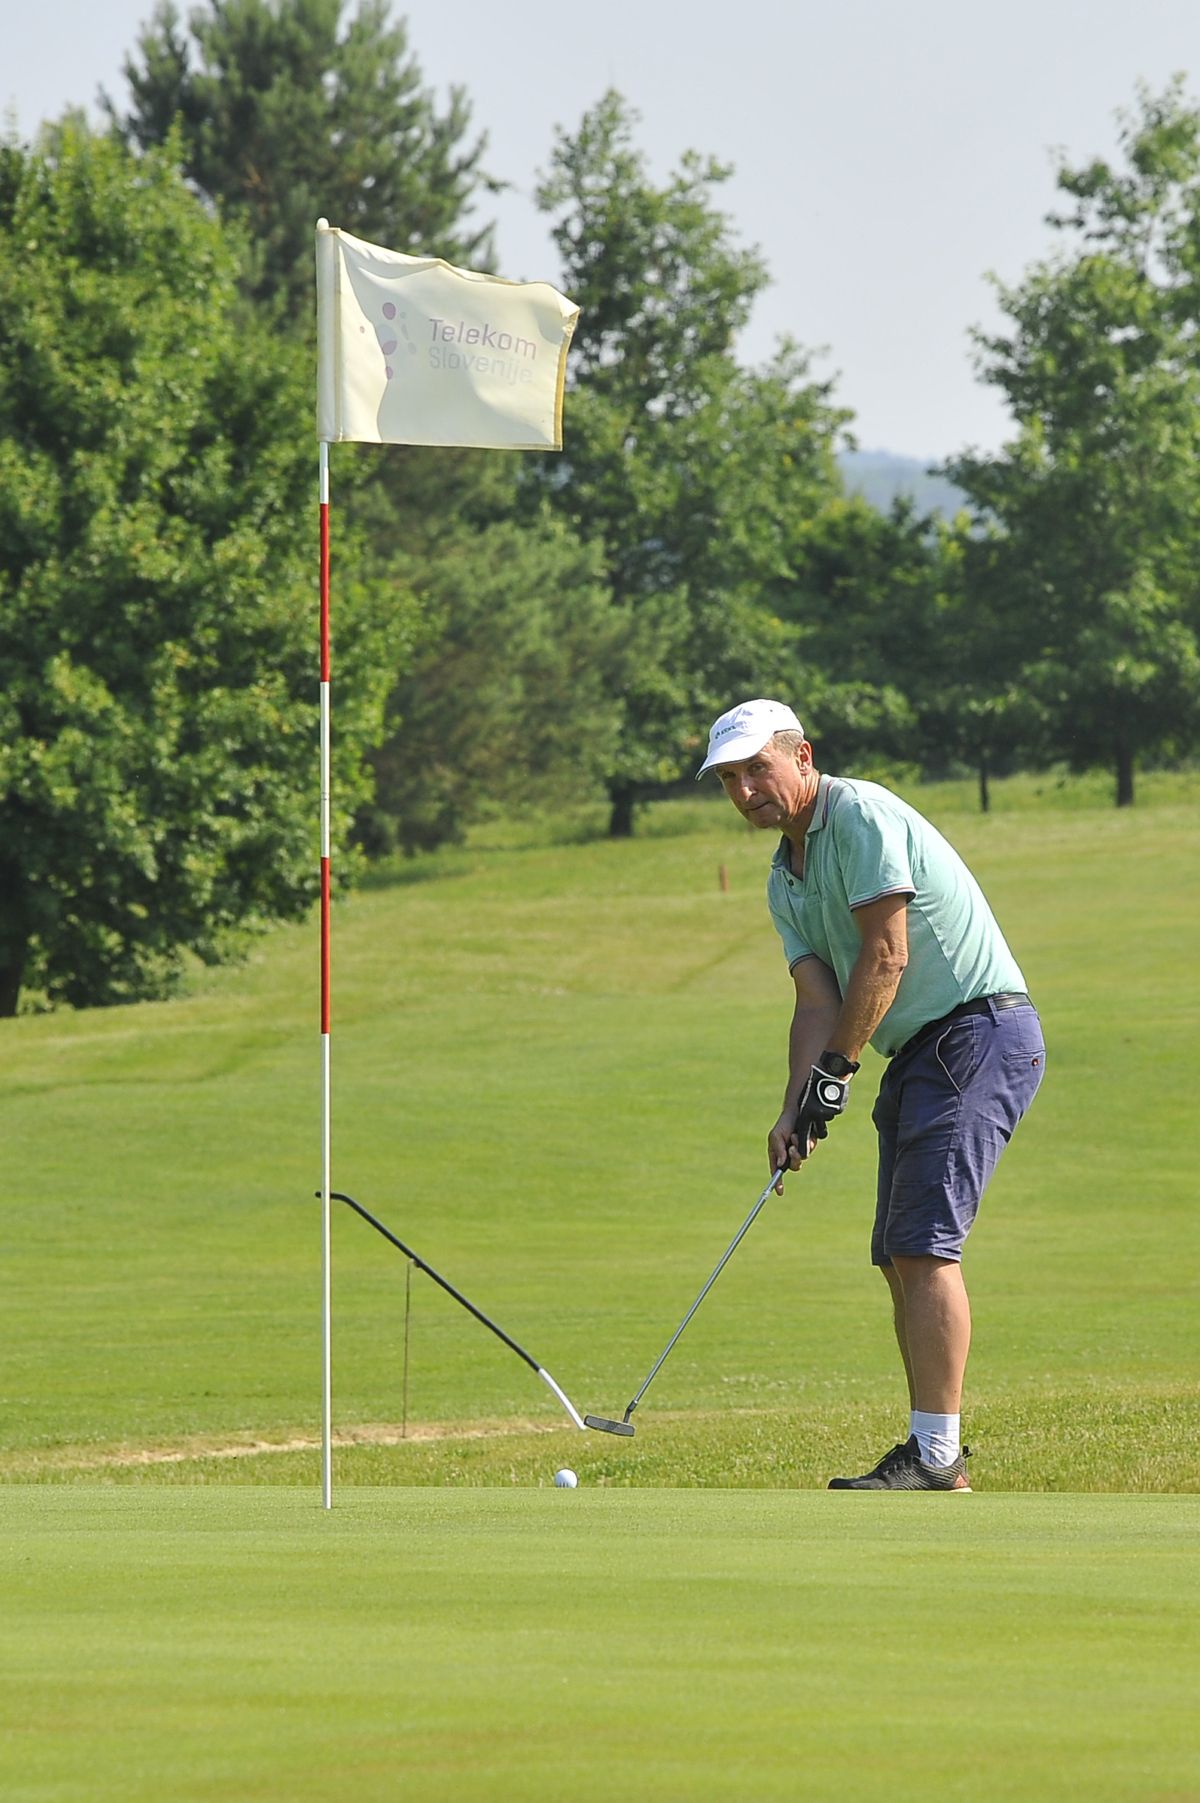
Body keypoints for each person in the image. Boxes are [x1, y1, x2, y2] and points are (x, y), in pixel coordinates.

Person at [698, 698, 1045, 1491]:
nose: (745, 790)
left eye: (757, 768)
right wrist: (795, 1106)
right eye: (729, 779)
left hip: (977, 1030)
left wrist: (837, 1071)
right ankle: (933, 1449)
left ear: (803, 757)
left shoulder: (857, 814)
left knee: (924, 1244)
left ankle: (936, 1455)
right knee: (896, 1253)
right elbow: (815, 1001)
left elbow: (887, 954)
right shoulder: (784, 878)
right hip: (921, 1052)